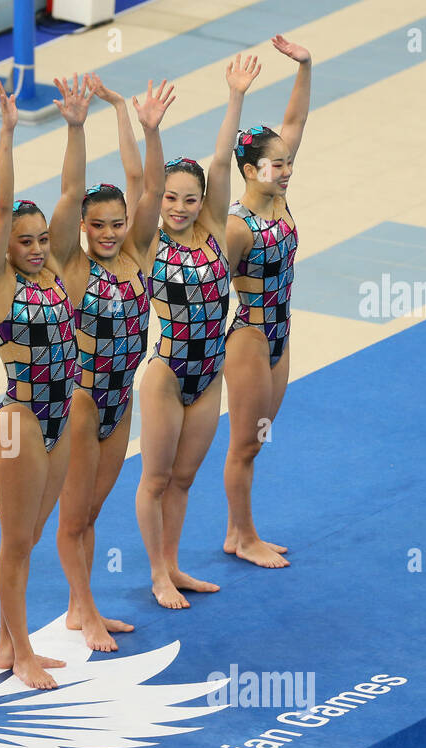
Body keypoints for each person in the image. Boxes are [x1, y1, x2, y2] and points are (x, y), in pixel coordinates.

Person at [51, 74, 174, 652]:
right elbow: (71, 186)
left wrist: (145, 126)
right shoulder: (72, 268)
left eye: (115, 223)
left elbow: (148, 185)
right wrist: (77, 128)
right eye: (95, 224)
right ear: (81, 226)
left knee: (92, 512)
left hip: (118, 399)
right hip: (80, 401)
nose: (106, 232)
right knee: (73, 516)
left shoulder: (137, 252)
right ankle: (86, 609)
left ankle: (81, 604)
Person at [135, 54, 261, 608]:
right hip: (166, 372)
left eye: (190, 198)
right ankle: (157, 574)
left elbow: (220, 157)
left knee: (183, 480)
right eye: (170, 198)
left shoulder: (213, 224)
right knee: (156, 479)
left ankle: (175, 564)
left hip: (208, 375)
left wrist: (235, 97)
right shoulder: (147, 242)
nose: (181, 207)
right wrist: (150, 131)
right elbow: (144, 178)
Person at [0, 79, 82, 689]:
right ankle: (19, 652)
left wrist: (73, 127)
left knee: (34, 534)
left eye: (44, 239)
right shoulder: (0, 285)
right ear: (7, 250)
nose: (40, 248)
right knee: (16, 542)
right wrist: (8, 137)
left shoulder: (57, 275)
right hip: (18, 418)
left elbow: (72, 192)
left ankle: (2, 637)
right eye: (27, 241)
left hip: (60, 415)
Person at [223, 35, 311, 569]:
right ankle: (243, 534)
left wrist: (305, 66)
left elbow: (295, 124)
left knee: (257, 441)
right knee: (243, 444)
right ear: (251, 168)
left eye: (287, 163)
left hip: (281, 331)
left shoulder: (279, 197)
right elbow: (207, 293)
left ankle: (239, 532)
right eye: (277, 164)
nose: (287, 169)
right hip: (251, 336)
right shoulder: (239, 225)